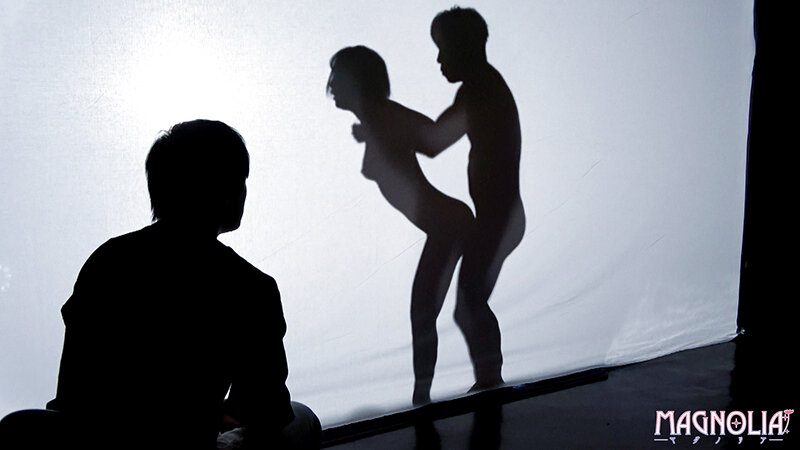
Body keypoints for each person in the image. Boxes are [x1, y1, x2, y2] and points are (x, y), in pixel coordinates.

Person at [0, 120, 321, 450]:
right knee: (302, 417)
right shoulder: (251, 288)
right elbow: (266, 407)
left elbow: (72, 397)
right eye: (241, 180)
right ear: (226, 191)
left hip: (91, 443)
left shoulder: (107, 262)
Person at [328, 46, 474, 406]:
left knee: (429, 314)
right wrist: (368, 133)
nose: (331, 84)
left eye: (338, 76)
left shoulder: (385, 116)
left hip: (449, 225)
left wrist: (472, 102)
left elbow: (433, 139)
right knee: (427, 315)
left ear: (358, 81)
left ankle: (424, 400)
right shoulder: (376, 119)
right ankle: (422, 400)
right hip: (444, 226)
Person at [417, 7, 526, 393]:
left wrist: (388, 123)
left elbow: (434, 141)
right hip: (497, 217)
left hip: (500, 218)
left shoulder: (480, 89)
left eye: (443, 49)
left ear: (466, 47)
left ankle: (490, 381)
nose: (439, 59)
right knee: (470, 303)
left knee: (469, 303)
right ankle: (489, 379)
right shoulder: (483, 86)